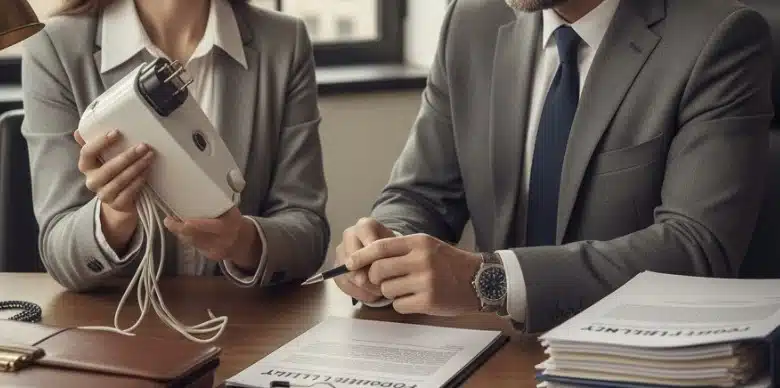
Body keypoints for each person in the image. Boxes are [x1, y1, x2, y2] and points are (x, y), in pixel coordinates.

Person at [334, 0, 774, 333]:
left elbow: (696, 247)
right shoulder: (471, 20)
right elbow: (420, 193)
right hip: (496, 351)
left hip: (632, 352)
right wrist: (385, 246)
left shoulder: (719, 36)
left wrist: (488, 279)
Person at [22, 0, 328, 291]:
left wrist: (243, 241)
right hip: (118, 330)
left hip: (250, 327)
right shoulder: (54, 47)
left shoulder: (284, 42)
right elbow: (59, 255)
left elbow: (308, 234)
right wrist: (113, 216)